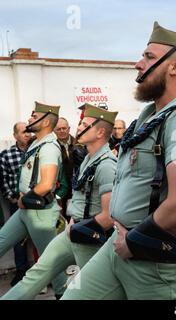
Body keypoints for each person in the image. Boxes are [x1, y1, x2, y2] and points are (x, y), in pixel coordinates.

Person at [61, 21, 176, 300]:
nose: (138, 64)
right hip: (118, 244)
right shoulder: (147, 118)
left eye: (149, 57)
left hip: (152, 259)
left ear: (174, 67)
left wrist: (132, 242)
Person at [1, 105, 118, 300]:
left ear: (101, 132)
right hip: (73, 231)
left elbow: (108, 216)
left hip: (90, 239)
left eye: (85, 124)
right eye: (80, 123)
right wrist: (71, 226)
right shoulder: (89, 159)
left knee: (85, 293)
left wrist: (76, 228)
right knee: (36, 274)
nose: (78, 128)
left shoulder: (106, 165)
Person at [0, 102, 67, 299]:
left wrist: (23, 199)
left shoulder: (48, 148)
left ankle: (63, 294)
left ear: (45, 121)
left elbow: (46, 184)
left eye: (33, 115)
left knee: (51, 262)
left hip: (40, 214)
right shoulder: (37, 143)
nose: (29, 118)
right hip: (26, 210)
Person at [0, 122, 32, 286]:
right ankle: (21, 270)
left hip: (36, 202)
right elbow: (3, 179)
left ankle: (43, 271)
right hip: (16, 204)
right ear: (15, 136)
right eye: (23, 132)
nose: (27, 134)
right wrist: (11, 197)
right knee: (17, 238)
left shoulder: (37, 151)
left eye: (28, 131)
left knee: (38, 236)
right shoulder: (6, 155)